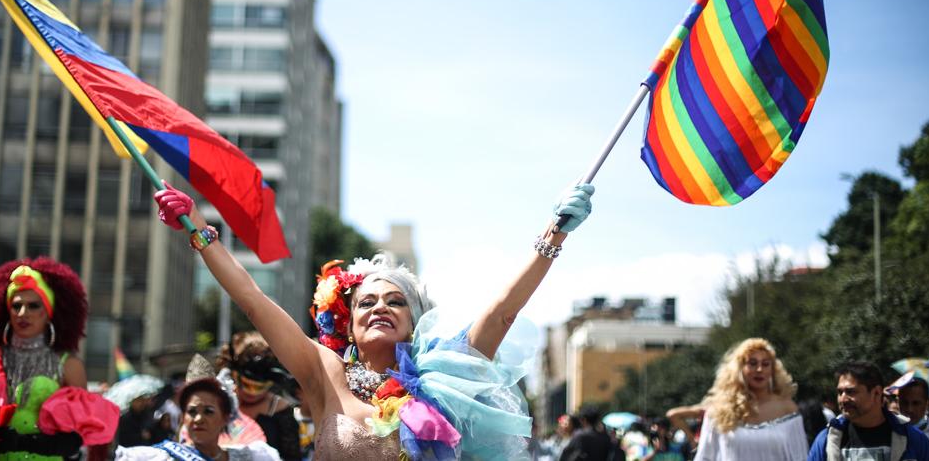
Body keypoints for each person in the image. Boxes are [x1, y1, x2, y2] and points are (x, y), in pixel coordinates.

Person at [154, 180, 596, 460]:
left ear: (413, 320)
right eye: (367, 302)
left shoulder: (446, 372)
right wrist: (199, 232)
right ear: (347, 325)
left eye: (395, 301)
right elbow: (252, 301)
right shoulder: (324, 372)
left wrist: (554, 231)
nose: (380, 307)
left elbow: (502, 312)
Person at [0, 257, 116, 460]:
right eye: (16, 305)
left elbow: (74, 440)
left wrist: (22, 442)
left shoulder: (69, 365)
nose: (23, 313)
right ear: (7, 310)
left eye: (33, 306)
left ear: (48, 313)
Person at [115, 354, 280, 461]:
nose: (198, 419)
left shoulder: (252, 457)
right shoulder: (159, 457)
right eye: (192, 412)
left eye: (208, 411)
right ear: (183, 417)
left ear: (226, 417)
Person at [693, 337, 807, 460]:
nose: (759, 369)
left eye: (765, 364)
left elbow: (800, 456)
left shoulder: (788, 409)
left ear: (772, 370)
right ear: (739, 368)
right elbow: (704, 457)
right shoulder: (718, 411)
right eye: (752, 363)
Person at [808, 362, 929, 460]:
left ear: (876, 393)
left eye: (851, 392)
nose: (843, 399)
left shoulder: (913, 439)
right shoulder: (827, 441)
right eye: (840, 392)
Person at [213, 332, 300, 459]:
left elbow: (292, 457)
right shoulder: (219, 403)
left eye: (259, 387)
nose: (251, 393)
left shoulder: (281, 410)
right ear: (235, 376)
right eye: (246, 384)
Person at [895, 377, 929, 442]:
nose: (910, 409)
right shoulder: (887, 432)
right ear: (898, 402)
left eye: (916, 403)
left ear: (927, 403)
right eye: (905, 403)